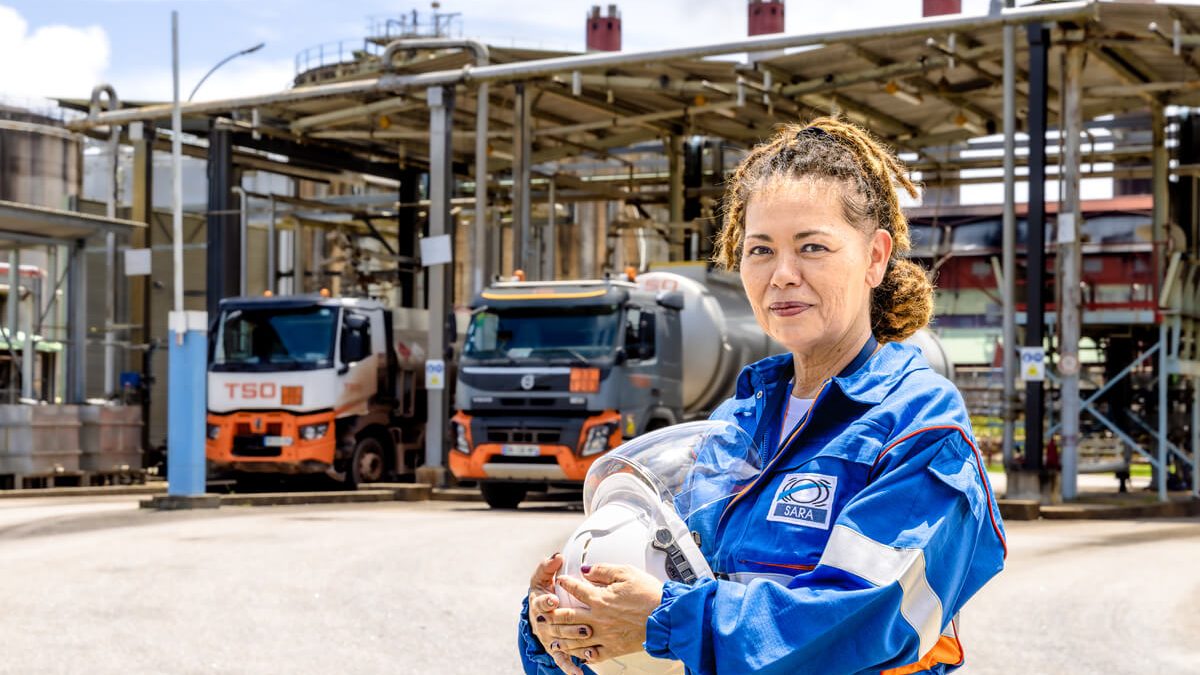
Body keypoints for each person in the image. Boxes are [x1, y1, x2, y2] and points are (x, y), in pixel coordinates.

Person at [518, 117, 1007, 675]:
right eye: (760, 250)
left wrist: (669, 622)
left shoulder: (920, 426)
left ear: (875, 257)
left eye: (813, 247)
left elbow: (867, 621)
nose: (783, 275)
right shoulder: (739, 422)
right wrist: (568, 626)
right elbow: (669, 582)